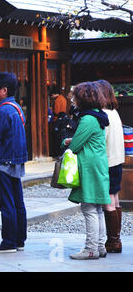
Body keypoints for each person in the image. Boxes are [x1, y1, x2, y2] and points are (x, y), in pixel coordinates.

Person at [62, 82, 111, 260]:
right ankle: (99, 246)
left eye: (75, 96)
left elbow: (76, 144)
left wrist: (67, 142)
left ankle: (91, 249)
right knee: (97, 208)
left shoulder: (88, 118)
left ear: (83, 98)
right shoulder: (98, 115)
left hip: (89, 166)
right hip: (98, 164)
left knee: (89, 207)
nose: (73, 100)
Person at [0, 72, 28, 253]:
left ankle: (8, 242)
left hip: (2, 161)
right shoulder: (16, 108)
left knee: (6, 203)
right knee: (18, 202)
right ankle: (19, 240)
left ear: (4, 90)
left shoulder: (2, 110)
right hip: (16, 161)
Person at [95, 80, 125, 253]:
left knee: (108, 201)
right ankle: (116, 239)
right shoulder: (115, 113)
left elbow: (101, 141)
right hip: (117, 159)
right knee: (115, 197)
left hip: (107, 161)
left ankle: (113, 241)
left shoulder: (103, 114)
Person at [49, 86, 68, 157]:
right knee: (61, 137)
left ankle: (56, 154)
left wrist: (51, 110)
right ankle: (61, 153)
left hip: (57, 120)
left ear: (54, 94)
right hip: (63, 120)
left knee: (56, 138)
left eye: (52, 96)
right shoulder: (63, 99)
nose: (52, 97)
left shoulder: (57, 100)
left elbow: (56, 111)